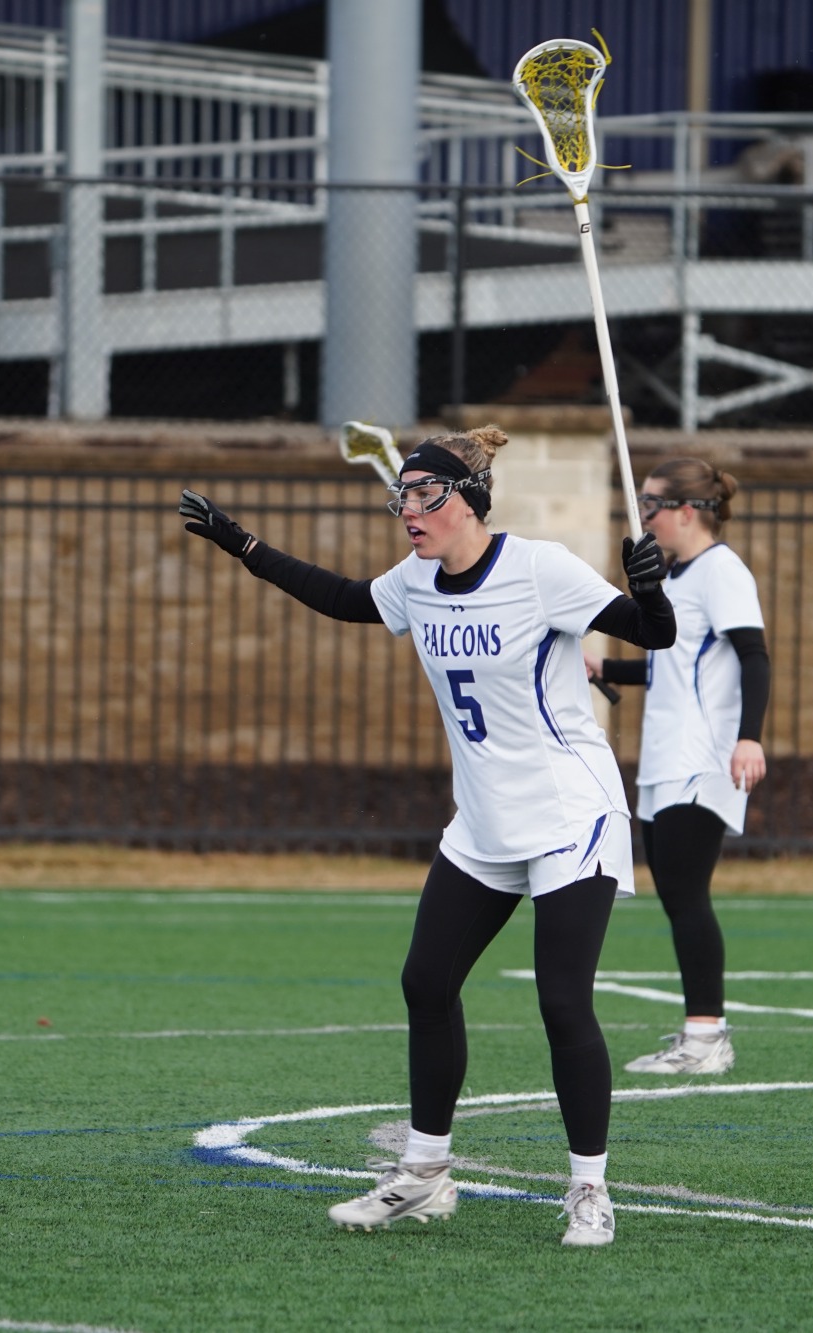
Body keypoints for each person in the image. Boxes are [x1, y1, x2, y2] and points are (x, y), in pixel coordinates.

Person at [178, 426, 675, 1247]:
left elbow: (652, 634)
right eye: (400, 496)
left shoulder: (539, 568)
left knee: (561, 1002)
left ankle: (589, 1187)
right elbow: (340, 597)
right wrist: (243, 543)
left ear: (469, 500)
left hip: (568, 813)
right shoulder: (415, 581)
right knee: (426, 983)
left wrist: (650, 588)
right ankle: (425, 1174)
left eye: (423, 495)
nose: (407, 510)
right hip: (482, 820)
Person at [585, 457, 766, 1076]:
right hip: (664, 762)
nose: (644, 516)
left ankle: (707, 1037)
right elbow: (673, 666)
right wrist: (605, 669)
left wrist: (750, 739)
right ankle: (701, 1033)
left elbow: (753, 657)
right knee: (676, 898)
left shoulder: (722, 573)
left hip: (704, 761)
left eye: (652, 505)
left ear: (687, 512)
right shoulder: (675, 578)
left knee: (688, 896)